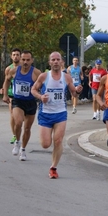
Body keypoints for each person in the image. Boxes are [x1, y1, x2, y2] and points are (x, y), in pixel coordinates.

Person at [31, 51, 83, 179]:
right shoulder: (44, 76)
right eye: (53, 60)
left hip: (60, 113)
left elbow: (73, 94)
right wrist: (40, 96)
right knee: (45, 144)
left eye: (57, 59)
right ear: (50, 62)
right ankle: (52, 164)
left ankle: (53, 168)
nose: (55, 62)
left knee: (58, 140)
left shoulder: (66, 77)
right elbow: (33, 90)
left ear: (62, 62)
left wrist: (77, 91)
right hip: (45, 114)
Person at [2, 50, 41, 161]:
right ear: (20, 60)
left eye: (28, 60)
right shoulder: (13, 71)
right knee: (18, 122)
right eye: (23, 59)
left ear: (32, 60)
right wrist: (5, 95)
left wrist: (42, 96)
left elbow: (43, 84)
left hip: (31, 102)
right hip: (17, 101)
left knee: (27, 128)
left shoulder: (36, 73)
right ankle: (17, 142)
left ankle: (23, 150)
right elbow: (7, 81)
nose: (25, 62)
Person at [0, 48, 21, 144]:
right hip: (11, 94)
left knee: (20, 118)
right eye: (14, 54)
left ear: (20, 56)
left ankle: (18, 131)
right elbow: (6, 81)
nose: (16, 56)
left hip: (22, 95)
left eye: (17, 54)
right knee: (12, 115)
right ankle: (14, 135)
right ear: (11, 56)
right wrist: (3, 90)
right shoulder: (8, 69)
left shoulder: (24, 67)